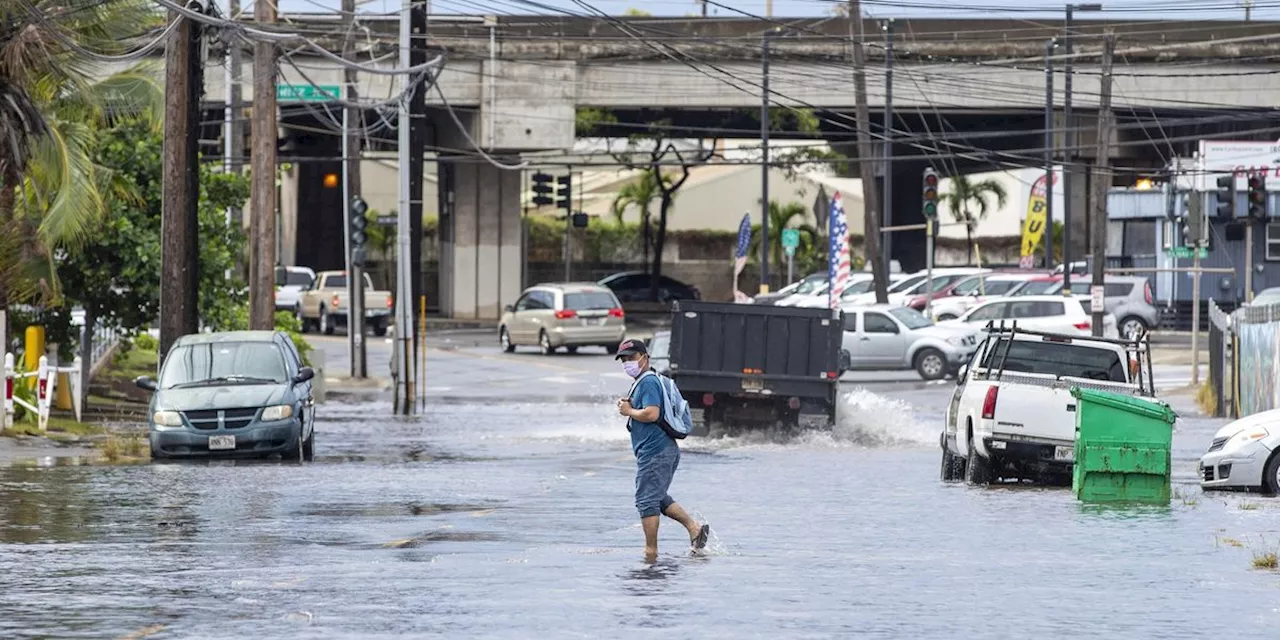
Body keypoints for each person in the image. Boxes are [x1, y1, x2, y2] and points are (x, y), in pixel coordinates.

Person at [615, 338, 709, 561]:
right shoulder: (645, 381)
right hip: (660, 451)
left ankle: (651, 553)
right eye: (624, 360)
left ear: (644, 358)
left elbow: (652, 414)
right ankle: (694, 529)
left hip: (656, 452)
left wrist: (629, 412)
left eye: (632, 358)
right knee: (655, 496)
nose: (628, 363)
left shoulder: (647, 382)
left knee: (646, 500)